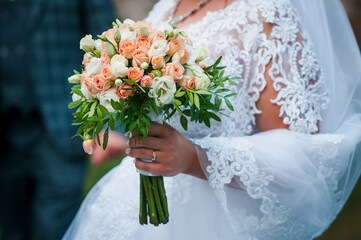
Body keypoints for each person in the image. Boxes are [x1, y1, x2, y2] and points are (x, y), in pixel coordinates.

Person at [63, 0, 361, 239]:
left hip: (214, 219)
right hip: (133, 204)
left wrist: (197, 158)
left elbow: (301, 158)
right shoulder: (166, 7)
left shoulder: (267, 15)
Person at [0, 0, 116, 239]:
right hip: (6, 126)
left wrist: (109, 123)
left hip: (60, 121)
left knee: (57, 227)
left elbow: (106, 40)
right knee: (11, 223)